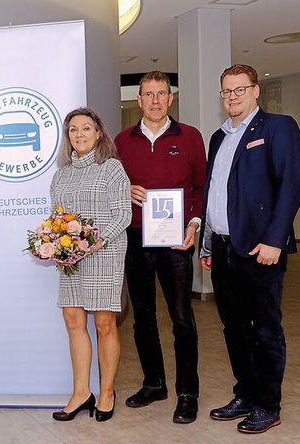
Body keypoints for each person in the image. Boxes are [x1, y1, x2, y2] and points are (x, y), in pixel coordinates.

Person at [200, 64, 300, 434]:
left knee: (265, 330)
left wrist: (275, 240)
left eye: (239, 90)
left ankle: (267, 404)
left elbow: (290, 186)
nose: (232, 97)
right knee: (234, 329)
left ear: (255, 90)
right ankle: (245, 393)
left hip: (261, 249)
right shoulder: (218, 137)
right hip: (225, 249)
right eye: (226, 91)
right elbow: (214, 194)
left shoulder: (278, 127)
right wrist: (208, 243)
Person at [114, 71, 206, 424]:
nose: (154, 100)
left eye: (161, 94)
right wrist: (126, 191)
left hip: (176, 239)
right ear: (138, 101)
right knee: (143, 317)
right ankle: (154, 383)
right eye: (148, 94)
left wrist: (194, 225)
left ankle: (187, 392)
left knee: (182, 317)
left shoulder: (190, 137)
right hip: (136, 238)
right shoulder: (123, 141)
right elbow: (112, 187)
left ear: (171, 99)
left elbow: (200, 187)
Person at [50, 107, 131, 423]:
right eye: (73, 130)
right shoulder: (61, 174)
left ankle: (107, 391)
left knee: (104, 324)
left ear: (99, 133)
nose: (79, 134)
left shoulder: (111, 169)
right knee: (73, 321)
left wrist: (94, 243)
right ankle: (81, 392)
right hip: (71, 259)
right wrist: (59, 245)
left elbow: (122, 214)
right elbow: (57, 219)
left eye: (85, 128)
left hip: (104, 254)